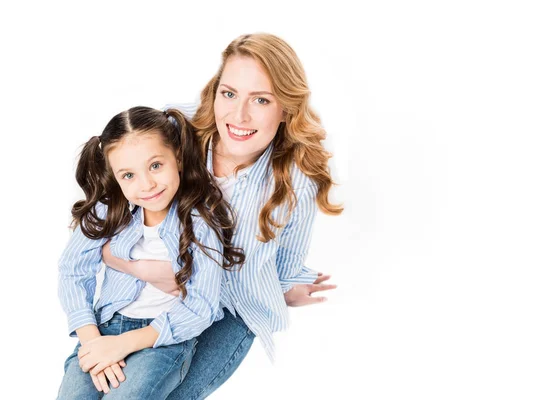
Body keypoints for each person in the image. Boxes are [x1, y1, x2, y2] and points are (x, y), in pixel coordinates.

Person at [102, 33, 342, 399]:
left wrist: (281, 288)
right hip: (149, 298)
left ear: (287, 109)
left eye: (261, 100)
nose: (239, 115)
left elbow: (284, 266)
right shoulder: (174, 129)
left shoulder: (295, 182)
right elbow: (116, 189)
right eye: (229, 94)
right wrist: (127, 263)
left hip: (229, 310)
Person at [56, 106, 244, 399]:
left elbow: (201, 306)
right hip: (105, 329)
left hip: (162, 338)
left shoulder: (200, 221)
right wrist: (93, 340)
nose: (146, 185)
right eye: (128, 175)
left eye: (155, 165)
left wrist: (127, 343)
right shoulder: (109, 209)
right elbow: (73, 271)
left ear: (177, 157)